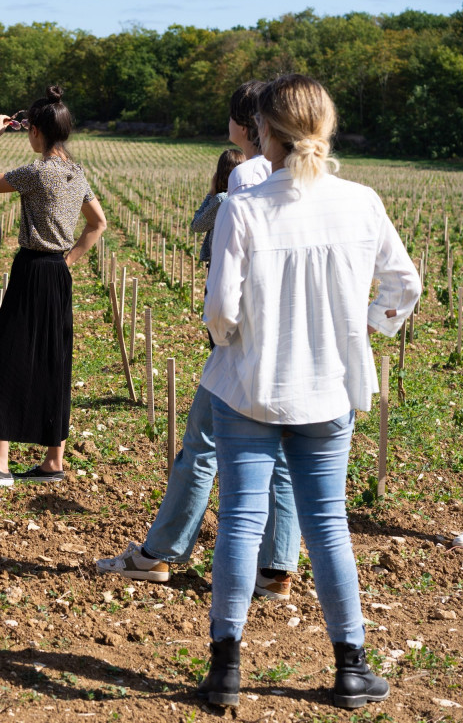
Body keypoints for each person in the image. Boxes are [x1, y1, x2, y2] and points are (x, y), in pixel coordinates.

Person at [197, 74, 420, 710]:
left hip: (249, 388)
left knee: (241, 522)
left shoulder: (244, 207)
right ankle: (351, 667)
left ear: (264, 133)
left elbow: (221, 307)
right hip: (330, 391)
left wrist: (235, 339)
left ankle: (225, 669)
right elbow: (405, 285)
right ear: (326, 127)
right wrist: (363, 333)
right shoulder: (363, 201)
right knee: (328, 527)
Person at [96, 81, 299, 603]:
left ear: (245, 125)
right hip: (292, 343)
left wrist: (221, 336)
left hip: (240, 342)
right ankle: (277, 568)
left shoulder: (244, 177)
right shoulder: (307, 181)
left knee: (201, 447)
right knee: (282, 454)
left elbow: (223, 279)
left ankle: (159, 554)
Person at [0, 86, 106, 486]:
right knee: (54, 358)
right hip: (58, 274)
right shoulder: (75, 172)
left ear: (35, 132)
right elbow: (98, 223)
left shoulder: (37, 172)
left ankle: (0, 463)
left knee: (5, 356)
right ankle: (54, 459)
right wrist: (68, 260)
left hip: (32, 270)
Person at [191, 148, 245, 266]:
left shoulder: (222, 199)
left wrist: (211, 193)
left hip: (221, 264)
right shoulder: (245, 196)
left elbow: (197, 225)